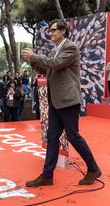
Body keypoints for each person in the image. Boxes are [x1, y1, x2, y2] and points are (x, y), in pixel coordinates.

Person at [22, 19, 101, 187]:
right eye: (50, 31)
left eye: (53, 30)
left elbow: (56, 64)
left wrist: (35, 56)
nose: (50, 33)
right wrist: (33, 61)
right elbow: (46, 69)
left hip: (67, 99)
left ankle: (93, 169)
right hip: (56, 99)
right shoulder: (54, 51)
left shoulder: (70, 47)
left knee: (73, 136)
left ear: (63, 31)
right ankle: (47, 175)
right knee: (52, 137)